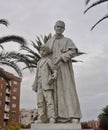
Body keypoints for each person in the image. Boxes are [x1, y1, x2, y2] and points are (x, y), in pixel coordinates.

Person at [46, 20, 82, 123]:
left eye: (61, 27)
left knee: (68, 90)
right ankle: (53, 116)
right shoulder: (49, 41)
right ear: (54, 27)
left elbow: (73, 51)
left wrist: (62, 57)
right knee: (53, 92)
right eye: (57, 26)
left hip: (64, 69)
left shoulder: (68, 40)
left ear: (64, 29)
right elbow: (44, 54)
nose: (59, 28)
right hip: (52, 69)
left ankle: (72, 115)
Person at [32, 44, 57, 123]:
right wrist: (35, 83)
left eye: (44, 50)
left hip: (47, 84)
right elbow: (37, 74)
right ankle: (41, 118)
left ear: (47, 52)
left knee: (49, 101)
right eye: (41, 50)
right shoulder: (38, 62)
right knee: (40, 102)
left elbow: (54, 69)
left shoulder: (48, 60)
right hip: (39, 83)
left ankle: (52, 117)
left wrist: (54, 74)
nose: (42, 52)